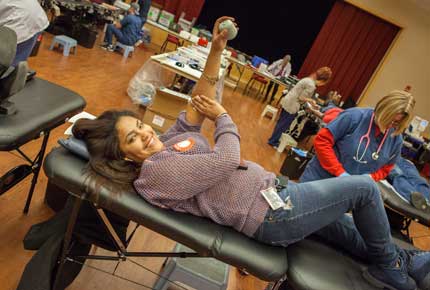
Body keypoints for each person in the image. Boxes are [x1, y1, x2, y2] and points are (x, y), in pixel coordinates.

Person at [73, 16, 429, 290]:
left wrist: (215, 50)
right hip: (270, 217)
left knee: (350, 233)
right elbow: (225, 159)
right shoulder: (155, 175)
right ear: (123, 156)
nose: (146, 135)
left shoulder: (165, 145)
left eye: (140, 127)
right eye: (133, 139)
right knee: (363, 189)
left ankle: (412, 262)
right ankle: (394, 272)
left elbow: (201, 99)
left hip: (276, 194)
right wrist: (224, 118)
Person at [300, 90, 415, 184]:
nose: (390, 124)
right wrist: (339, 172)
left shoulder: (395, 138)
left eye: (396, 123)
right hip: (319, 180)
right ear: (382, 109)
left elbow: (387, 167)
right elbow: (322, 141)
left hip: (349, 191)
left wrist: (371, 177)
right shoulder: (354, 116)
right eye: (389, 118)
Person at [267, 67, 332, 148]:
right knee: (283, 125)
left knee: (281, 122)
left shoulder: (308, 79)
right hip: (292, 105)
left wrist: (309, 101)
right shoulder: (311, 85)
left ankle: (273, 139)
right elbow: (301, 97)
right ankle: (273, 141)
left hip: (287, 100)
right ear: (323, 80)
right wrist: (311, 101)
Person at [0, 0, 49, 66]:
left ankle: (10, 71)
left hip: (20, 18)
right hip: (35, 15)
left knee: (7, 60)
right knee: (17, 59)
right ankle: (14, 70)